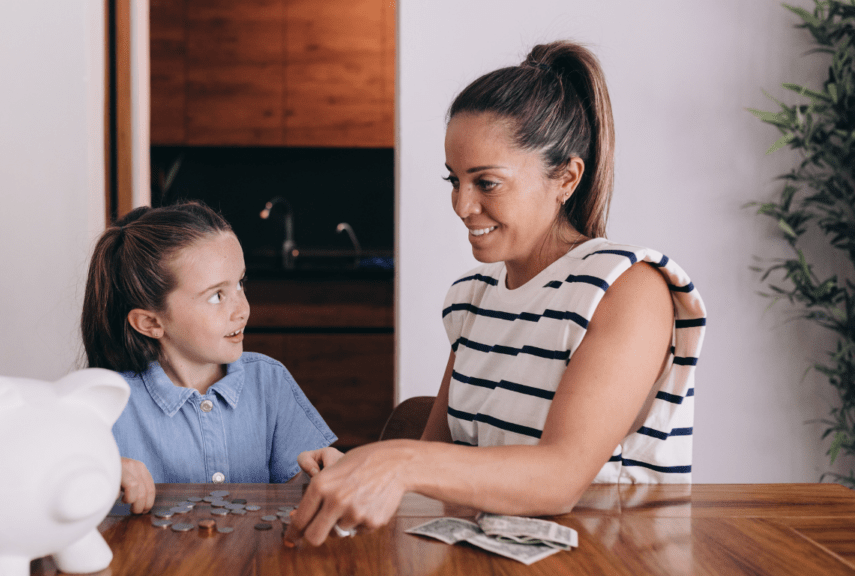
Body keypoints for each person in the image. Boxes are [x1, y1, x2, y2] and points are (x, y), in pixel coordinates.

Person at [286, 41, 707, 546]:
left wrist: (395, 460)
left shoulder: (628, 286)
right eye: (455, 180)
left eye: (486, 182)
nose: (463, 205)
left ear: (566, 178)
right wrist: (359, 473)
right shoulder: (472, 298)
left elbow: (558, 481)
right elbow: (439, 469)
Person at [81, 201, 341, 514]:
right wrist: (100, 470)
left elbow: (301, 492)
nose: (242, 309)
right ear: (151, 323)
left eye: (240, 284)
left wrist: (327, 476)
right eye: (217, 296)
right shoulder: (104, 404)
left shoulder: (269, 381)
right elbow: (35, 479)